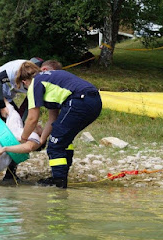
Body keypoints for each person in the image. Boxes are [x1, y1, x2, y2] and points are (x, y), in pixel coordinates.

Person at [0, 58, 61, 181]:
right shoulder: (21, 69)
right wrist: (1, 105)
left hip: (6, 97)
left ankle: (10, 174)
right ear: (43, 70)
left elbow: (29, 106)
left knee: (17, 129)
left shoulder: (39, 82)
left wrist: (23, 124)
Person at [16, 60, 102, 188]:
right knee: (63, 139)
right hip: (94, 101)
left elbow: (32, 119)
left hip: (79, 101)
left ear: (24, 82)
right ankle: (61, 176)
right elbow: (53, 119)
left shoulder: (35, 84)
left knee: (55, 145)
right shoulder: (50, 78)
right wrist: (42, 139)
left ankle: (59, 183)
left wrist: (23, 138)